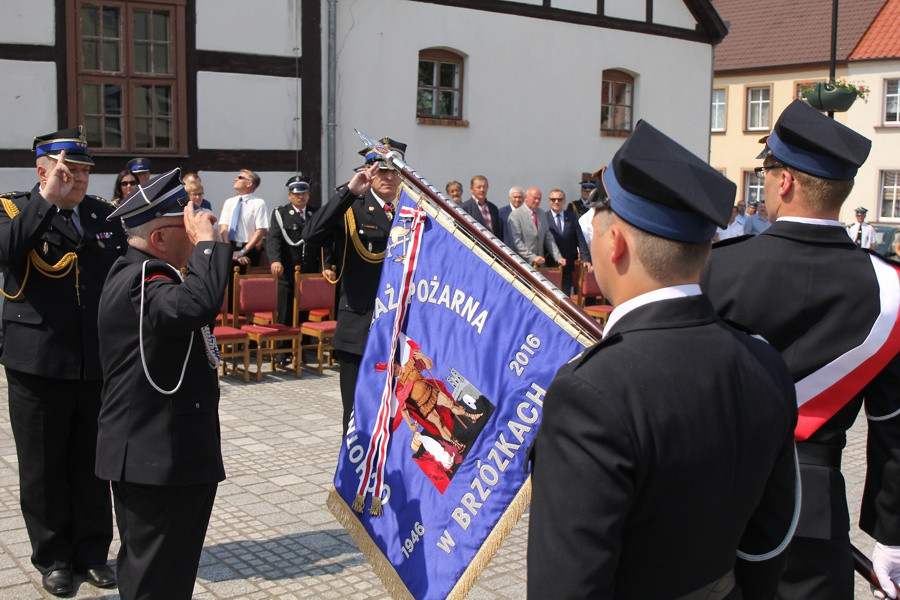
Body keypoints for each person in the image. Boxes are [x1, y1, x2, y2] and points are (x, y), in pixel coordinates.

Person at [528, 120, 798, 599]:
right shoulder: (763, 360)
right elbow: (769, 540)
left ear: (615, 244)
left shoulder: (590, 393)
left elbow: (567, 587)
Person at [702, 99, 900, 599]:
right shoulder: (890, 289)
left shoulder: (715, 269)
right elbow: (894, 426)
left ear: (784, 180)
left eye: (765, 171)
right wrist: (893, 541)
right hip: (814, 513)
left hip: (709, 499)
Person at [0, 127, 126, 596]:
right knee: (44, 466)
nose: (77, 181)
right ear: (42, 170)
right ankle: (53, 556)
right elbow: (7, 251)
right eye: (67, 172)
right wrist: (47, 200)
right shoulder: (13, 208)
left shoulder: (100, 214)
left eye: (83, 173)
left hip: (95, 361)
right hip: (38, 361)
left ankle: (93, 552)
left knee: (93, 462)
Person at [97, 168, 230, 600]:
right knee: (155, 580)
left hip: (163, 452)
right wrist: (209, 245)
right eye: (185, 226)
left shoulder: (143, 273)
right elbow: (197, 305)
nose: (194, 232)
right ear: (158, 240)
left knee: (166, 575)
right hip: (155, 456)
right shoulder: (143, 281)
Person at [302, 137, 405, 435]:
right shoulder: (351, 207)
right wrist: (348, 192)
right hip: (360, 326)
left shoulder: (410, 211)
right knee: (356, 413)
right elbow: (311, 234)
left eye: (393, 171)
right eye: (380, 170)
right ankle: (351, 477)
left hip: (399, 329)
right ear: (368, 172)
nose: (387, 176)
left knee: (395, 413)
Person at [267, 175, 321, 365]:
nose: (300, 197)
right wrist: (275, 260)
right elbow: (273, 239)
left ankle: (303, 350)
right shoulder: (281, 214)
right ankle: (282, 352)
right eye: (296, 194)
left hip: (308, 272)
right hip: (287, 272)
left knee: (305, 312)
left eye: (304, 193)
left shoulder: (315, 214)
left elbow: (323, 242)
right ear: (290, 195)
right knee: (285, 312)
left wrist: (326, 267)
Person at [219, 169, 268, 269]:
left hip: (249, 248)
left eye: (240, 177)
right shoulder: (229, 202)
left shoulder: (258, 203)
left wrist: (242, 252)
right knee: (229, 281)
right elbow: (224, 227)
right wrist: (230, 251)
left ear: (249, 183)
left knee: (248, 282)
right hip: (230, 246)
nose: (235, 179)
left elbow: (261, 230)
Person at [546, 188, 591, 295]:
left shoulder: (571, 217)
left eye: (559, 199)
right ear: (549, 201)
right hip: (549, 264)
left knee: (565, 295)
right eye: (553, 199)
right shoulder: (544, 217)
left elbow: (580, 239)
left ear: (564, 201)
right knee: (550, 296)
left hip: (567, 263)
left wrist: (586, 258)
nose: (556, 202)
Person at [506, 186, 564, 268]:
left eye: (539, 199)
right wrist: (533, 257)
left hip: (539, 265)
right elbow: (516, 242)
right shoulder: (515, 215)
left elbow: (548, 237)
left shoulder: (542, 214)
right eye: (534, 198)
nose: (537, 201)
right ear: (526, 198)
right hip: (522, 265)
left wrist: (558, 257)